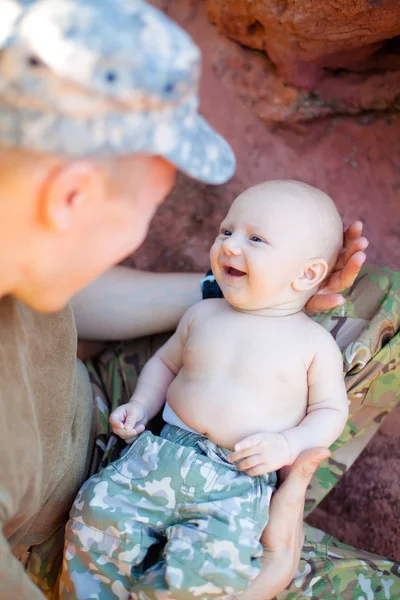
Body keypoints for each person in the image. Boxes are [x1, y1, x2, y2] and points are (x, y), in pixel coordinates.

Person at [0, 1, 398, 599]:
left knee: (377, 297)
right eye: (148, 205)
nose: (227, 245)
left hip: (123, 422)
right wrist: (266, 577)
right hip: (83, 522)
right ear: (71, 197)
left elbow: (73, 297)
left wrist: (243, 298)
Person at [60, 181, 350, 599]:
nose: (230, 245)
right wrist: (141, 405)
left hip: (236, 480)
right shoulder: (203, 313)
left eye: (256, 238)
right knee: (96, 521)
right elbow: (165, 362)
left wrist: (289, 444)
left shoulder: (313, 343)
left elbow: (329, 411)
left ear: (307, 273)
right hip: (158, 453)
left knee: (207, 577)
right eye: (226, 231)